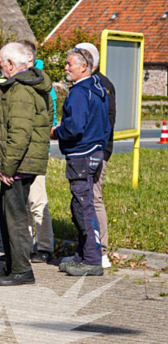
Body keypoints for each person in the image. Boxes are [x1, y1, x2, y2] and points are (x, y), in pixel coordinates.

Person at [0, 43, 53, 286]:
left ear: (11, 64)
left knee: (15, 217)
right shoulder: (25, 85)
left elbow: (19, 133)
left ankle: (22, 270)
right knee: (7, 215)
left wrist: (8, 167)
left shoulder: (21, 89)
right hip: (21, 162)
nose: (0, 69)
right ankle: (12, 266)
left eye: (2, 64)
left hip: (19, 165)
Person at [51, 48, 110, 277]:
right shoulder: (98, 88)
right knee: (80, 205)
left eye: (69, 64)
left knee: (83, 206)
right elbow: (106, 126)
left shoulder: (79, 92)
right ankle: (82, 255)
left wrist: (56, 132)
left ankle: (92, 260)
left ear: (84, 66)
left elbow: (74, 127)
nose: (66, 68)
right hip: (95, 153)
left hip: (81, 155)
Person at [76, 42, 116, 269]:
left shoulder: (101, 85)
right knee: (86, 200)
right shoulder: (93, 83)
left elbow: (106, 122)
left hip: (96, 152)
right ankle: (87, 250)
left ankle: (101, 252)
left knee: (94, 199)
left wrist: (101, 152)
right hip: (94, 150)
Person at [19, 40, 57, 264]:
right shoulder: (20, 79)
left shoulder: (41, 82)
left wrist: (43, 143)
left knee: (37, 199)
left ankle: (44, 247)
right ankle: (24, 246)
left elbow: (50, 117)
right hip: (21, 148)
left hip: (37, 148)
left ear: (30, 58)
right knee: (22, 201)